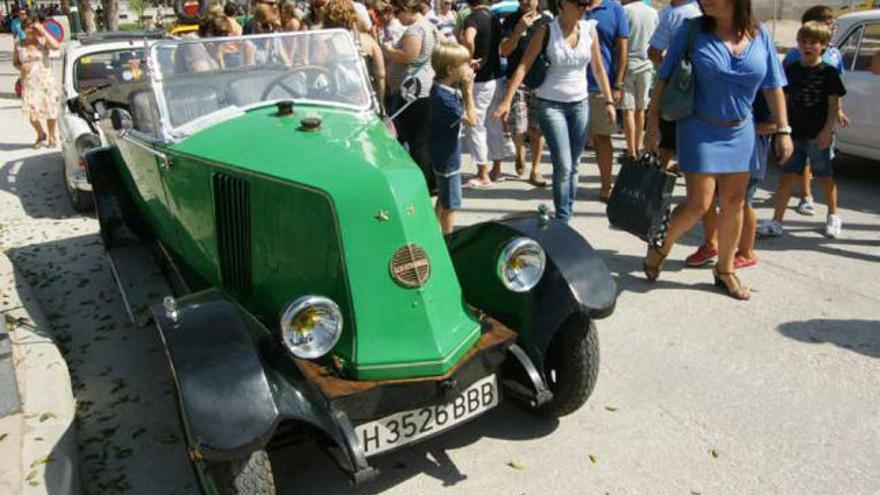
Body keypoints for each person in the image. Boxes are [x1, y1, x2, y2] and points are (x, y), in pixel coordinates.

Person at [644, 0, 792, 300]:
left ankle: (725, 269)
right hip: (698, 127)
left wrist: (784, 129)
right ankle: (661, 245)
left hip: (741, 129)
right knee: (699, 202)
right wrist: (652, 123)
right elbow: (664, 78)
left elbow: (773, 86)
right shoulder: (691, 31)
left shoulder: (760, 34)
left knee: (735, 202)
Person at [493, 0, 616, 221]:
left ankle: (566, 213)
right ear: (562, 4)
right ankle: (563, 218)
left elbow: (598, 69)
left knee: (575, 164)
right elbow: (523, 66)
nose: (584, 7)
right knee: (564, 163)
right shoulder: (547, 30)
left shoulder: (590, 30)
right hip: (551, 104)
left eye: (587, 4)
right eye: (580, 3)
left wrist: (608, 101)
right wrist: (506, 101)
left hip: (580, 104)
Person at [758, 21, 846, 239]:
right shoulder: (792, 70)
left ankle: (833, 215)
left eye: (813, 42)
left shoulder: (829, 73)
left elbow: (834, 105)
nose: (807, 46)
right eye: (803, 41)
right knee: (788, 176)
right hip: (794, 134)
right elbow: (782, 99)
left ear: (824, 45)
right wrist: (782, 129)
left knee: (825, 176)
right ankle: (777, 221)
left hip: (818, 135)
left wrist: (827, 131)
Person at [782, 5, 848, 218]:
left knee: (823, 170)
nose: (834, 26)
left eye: (833, 23)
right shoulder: (793, 60)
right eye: (830, 22)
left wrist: (837, 113)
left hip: (820, 126)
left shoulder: (834, 57)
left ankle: (833, 214)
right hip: (798, 126)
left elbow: (835, 93)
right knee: (795, 169)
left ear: (824, 44)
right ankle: (804, 197)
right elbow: (783, 93)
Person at [383, 0, 439, 191]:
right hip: (418, 89)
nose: (396, 16)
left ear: (407, 9)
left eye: (397, 11)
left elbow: (410, 56)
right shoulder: (427, 26)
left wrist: (389, 50)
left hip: (412, 93)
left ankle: (424, 183)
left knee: (415, 140)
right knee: (419, 139)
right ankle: (429, 181)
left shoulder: (415, 29)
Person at [499, 0, 549, 187]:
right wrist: (518, 30)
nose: (526, 1)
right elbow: (504, 51)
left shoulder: (547, 22)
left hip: (540, 79)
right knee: (518, 126)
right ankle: (520, 151)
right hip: (515, 80)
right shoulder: (510, 21)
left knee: (537, 128)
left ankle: (536, 168)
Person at [429, 42, 478, 233]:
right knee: (450, 205)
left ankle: (433, 227)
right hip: (447, 157)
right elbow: (472, 120)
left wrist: (464, 66)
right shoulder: (445, 99)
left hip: (442, 151)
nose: (468, 67)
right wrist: (468, 90)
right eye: (464, 64)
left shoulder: (441, 87)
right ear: (450, 70)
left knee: (444, 194)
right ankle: (449, 243)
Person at [646, 0, 701, 171]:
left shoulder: (670, 14)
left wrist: (671, 69)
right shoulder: (705, 13)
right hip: (705, 93)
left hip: (676, 89)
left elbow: (653, 51)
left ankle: (660, 175)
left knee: (667, 137)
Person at [585, 0, 629, 202]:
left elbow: (622, 49)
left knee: (602, 137)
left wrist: (617, 84)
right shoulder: (573, 6)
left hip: (601, 86)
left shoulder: (615, 9)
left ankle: (605, 185)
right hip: (571, 85)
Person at [461, 0, 507, 187]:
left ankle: (482, 173)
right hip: (496, 76)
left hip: (479, 78)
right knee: (493, 124)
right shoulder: (494, 18)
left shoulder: (472, 18)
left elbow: (469, 38)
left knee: (476, 124)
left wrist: (468, 57)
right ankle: (496, 168)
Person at [323, 0, 387, 113]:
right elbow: (380, 76)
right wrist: (381, 106)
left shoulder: (322, 42)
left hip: (332, 100)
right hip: (362, 101)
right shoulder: (368, 41)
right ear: (352, 16)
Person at [13, 17, 61, 148]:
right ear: (23, 29)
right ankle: (40, 133)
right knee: (31, 112)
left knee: (50, 109)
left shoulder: (43, 41)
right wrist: (20, 67)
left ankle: (52, 136)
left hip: (45, 81)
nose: (30, 30)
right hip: (29, 82)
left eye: (32, 27)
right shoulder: (19, 44)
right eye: (27, 27)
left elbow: (56, 46)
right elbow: (15, 62)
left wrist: (43, 30)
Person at [620, 0, 657, 158]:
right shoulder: (653, 12)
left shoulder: (624, 11)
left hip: (627, 64)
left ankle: (631, 150)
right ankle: (638, 145)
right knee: (641, 109)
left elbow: (620, 38)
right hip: (646, 65)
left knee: (628, 109)